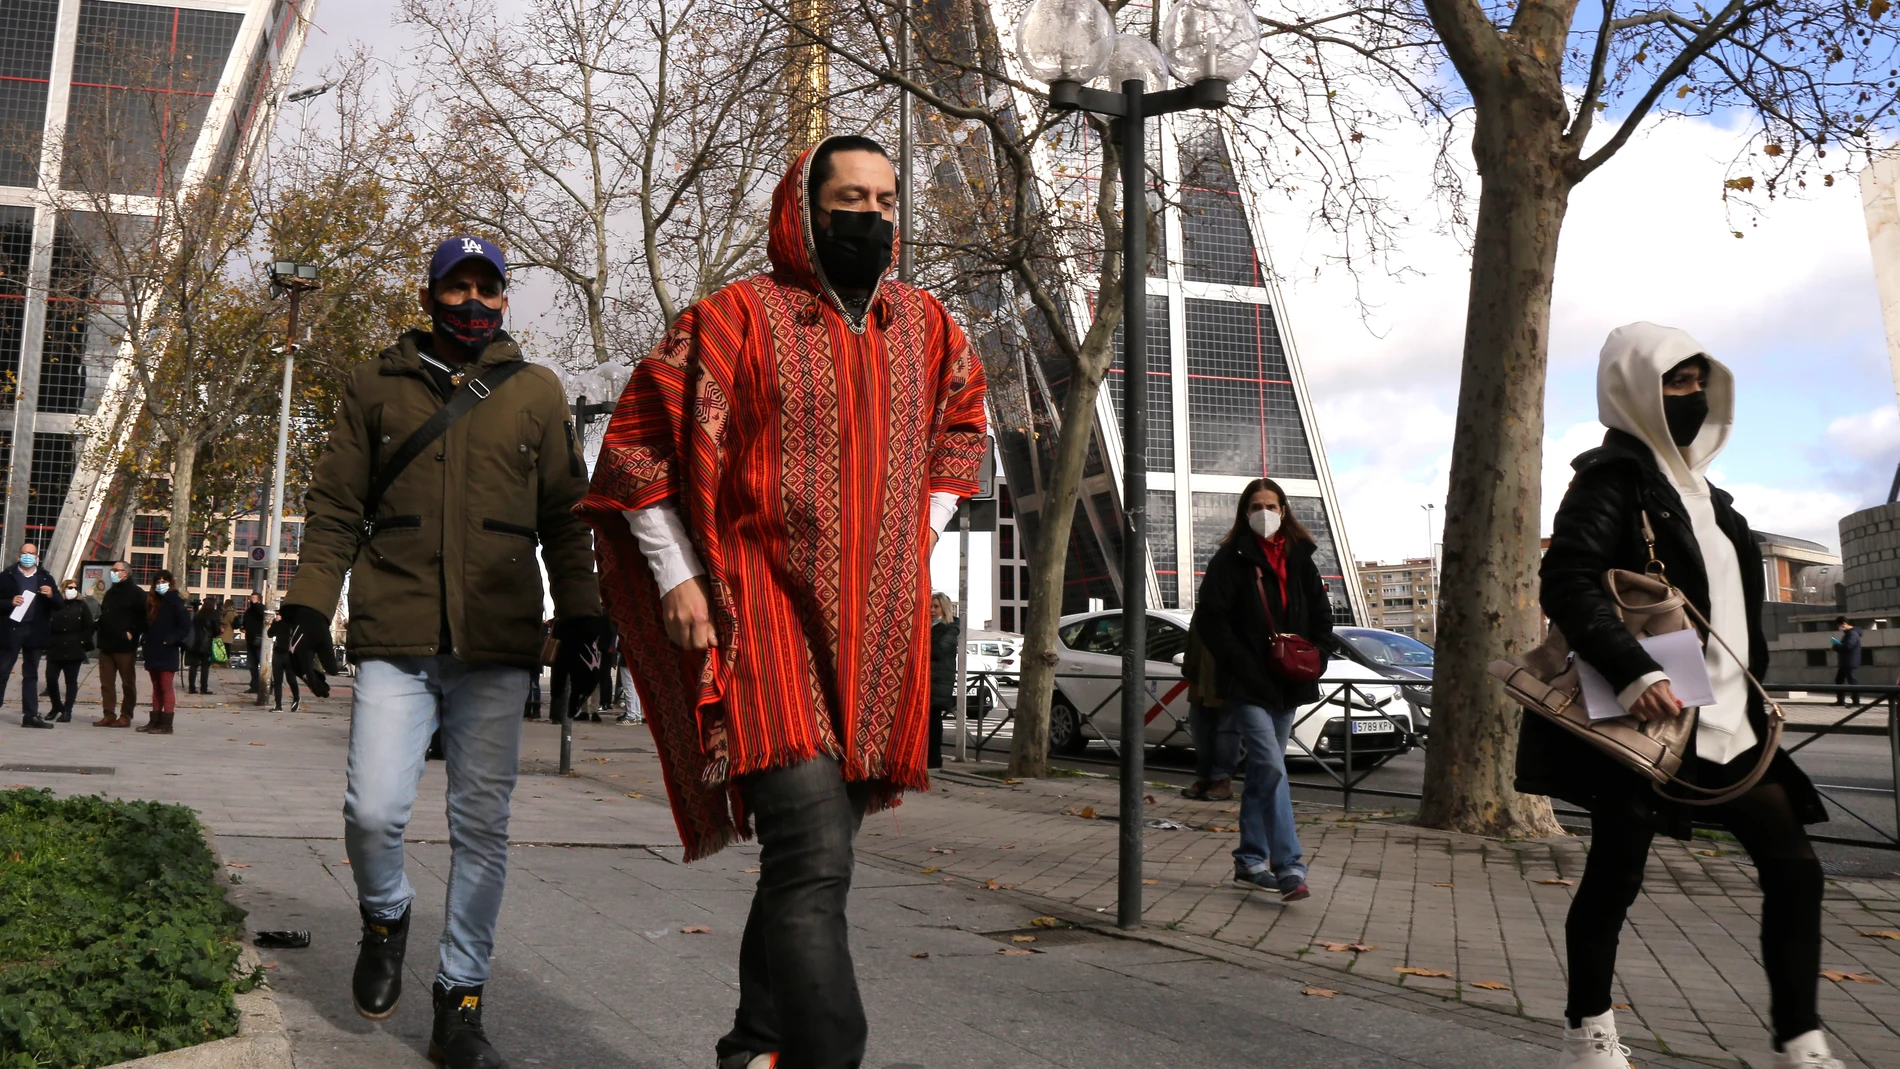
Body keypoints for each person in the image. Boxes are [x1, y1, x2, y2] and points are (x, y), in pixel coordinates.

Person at [581, 134, 987, 1069]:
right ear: (803, 208)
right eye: (852, 198)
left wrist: (915, 532)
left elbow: (962, 424)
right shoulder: (733, 320)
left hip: (875, 631)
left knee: (808, 862)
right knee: (812, 856)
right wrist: (677, 574)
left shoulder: (928, 327)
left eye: (887, 201)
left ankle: (752, 1050)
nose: (873, 217)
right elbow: (636, 448)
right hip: (759, 613)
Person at [276, 234, 606, 1069]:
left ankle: (460, 1000)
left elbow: (567, 520)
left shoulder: (536, 393)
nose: (472, 303)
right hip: (396, 634)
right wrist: (309, 607)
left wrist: (586, 616)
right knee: (373, 811)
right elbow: (336, 506)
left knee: (482, 826)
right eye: (456, 288)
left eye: (485, 290)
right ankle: (385, 914)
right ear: (429, 294)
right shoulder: (375, 384)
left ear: (504, 300)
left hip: (497, 644)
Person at [1521, 323, 1835, 1069]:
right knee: (1615, 876)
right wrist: (1637, 670)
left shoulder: (1715, 498)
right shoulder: (1609, 480)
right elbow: (1565, 578)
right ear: (1633, 388)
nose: (1692, 396)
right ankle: (1587, 1031)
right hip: (1653, 722)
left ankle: (1800, 1039)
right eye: (1676, 382)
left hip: (1732, 725)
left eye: (1700, 382)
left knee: (1795, 867)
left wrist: (1758, 707)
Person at [1191, 478, 1331, 903]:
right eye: (1256, 505)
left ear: (1284, 510)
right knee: (1271, 765)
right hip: (1247, 682)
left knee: (1261, 773)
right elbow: (1212, 620)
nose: (1264, 512)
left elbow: (1322, 613)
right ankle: (1289, 867)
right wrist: (1243, 665)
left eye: (1271, 504)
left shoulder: (1302, 559)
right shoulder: (1229, 560)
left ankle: (1250, 860)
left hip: (1289, 680)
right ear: (1244, 511)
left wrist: (1319, 656)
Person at [0, 543, 59, 729]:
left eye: (31, 553)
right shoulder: (6, 576)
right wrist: (9, 602)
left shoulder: (45, 577)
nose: (28, 556)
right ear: (19, 555)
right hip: (12, 630)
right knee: (2, 671)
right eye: (25, 553)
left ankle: (30, 715)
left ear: (37, 557)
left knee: (31, 673)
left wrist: (51, 595)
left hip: (35, 631)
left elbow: (59, 604)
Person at [1180, 623, 1239, 801]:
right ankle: (1204, 778)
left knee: (1226, 731)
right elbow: (1192, 638)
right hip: (1199, 680)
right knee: (1200, 731)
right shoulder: (1205, 605)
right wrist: (1188, 665)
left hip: (1227, 681)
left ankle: (1222, 780)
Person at [93, 560, 144, 728]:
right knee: (106, 683)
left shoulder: (137, 593)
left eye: (117, 570)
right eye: (112, 570)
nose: (113, 572)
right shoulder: (110, 592)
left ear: (125, 573)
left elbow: (143, 617)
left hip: (124, 646)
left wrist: (131, 633)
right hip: (106, 644)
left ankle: (126, 716)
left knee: (127, 683)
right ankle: (108, 714)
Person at [139, 570, 190, 734]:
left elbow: (185, 627)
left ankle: (167, 724)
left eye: (164, 581)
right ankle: (154, 721)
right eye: (158, 582)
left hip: (167, 650)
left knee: (166, 686)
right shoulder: (152, 601)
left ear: (170, 582)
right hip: (153, 649)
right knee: (156, 687)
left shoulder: (175, 601)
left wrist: (170, 640)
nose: (161, 584)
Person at [45, 578, 96, 723]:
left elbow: (89, 625)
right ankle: (56, 706)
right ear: (63, 589)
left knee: (71, 681)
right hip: (55, 647)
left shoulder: (81, 605)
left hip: (74, 648)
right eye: (69, 587)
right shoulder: (55, 605)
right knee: (51, 679)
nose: (72, 590)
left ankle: (67, 710)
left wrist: (82, 641)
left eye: (74, 587)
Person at [928, 592, 960, 769]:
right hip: (929, 681)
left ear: (944, 609)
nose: (932, 610)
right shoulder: (927, 626)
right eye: (930, 606)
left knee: (933, 721)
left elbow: (939, 651)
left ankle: (934, 760)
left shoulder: (950, 628)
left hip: (938, 682)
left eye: (936, 607)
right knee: (926, 721)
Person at [267, 610, 303, 711]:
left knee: (291, 679)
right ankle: (278, 705)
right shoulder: (278, 623)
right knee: (277, 681)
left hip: (290, 654)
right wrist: (275, 622)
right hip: (278, 653)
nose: (279, 616)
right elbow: (270, 634)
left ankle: (296, 697)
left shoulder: (294, 623)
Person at [186, 597, 220, 694]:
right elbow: (216, 630)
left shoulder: (198, 615)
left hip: (195, 643)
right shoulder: (213, 615)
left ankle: (191, 688)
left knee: (193, 666)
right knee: (205, 667)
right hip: (207, 644)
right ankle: (203, 688)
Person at [1829, 616, 1861, 706]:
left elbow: (1848, 647)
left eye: (1839, 625)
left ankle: (1856, 701)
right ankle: (1841, 700)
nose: (1839, 628)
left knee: (1852, 681)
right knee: (1839, 680)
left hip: (1850, 662)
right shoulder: (1849, 634)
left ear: (1844, 624)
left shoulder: (1852, 634)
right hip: (1845, 662)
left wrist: (1836, 646)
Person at [242, 596, 266, 697]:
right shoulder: (249, 611)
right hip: (250, 639)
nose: (251, 600)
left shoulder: (261, 608)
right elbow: (245, 622)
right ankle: (255, 685)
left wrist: (257, 604)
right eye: (250, 598)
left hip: (259, 639)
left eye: (254, 599)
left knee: (263, 663)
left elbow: (263, 614)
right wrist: (243, 627)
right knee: (252, 665)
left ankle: (266, 684)